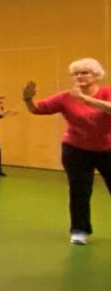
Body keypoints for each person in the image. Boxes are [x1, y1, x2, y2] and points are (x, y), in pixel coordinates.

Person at [23, 59, 111, 244]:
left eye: (85, 72)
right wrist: (28, 99)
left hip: (107, 149)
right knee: (80, 191)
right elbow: (38, 109)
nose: (79, 76)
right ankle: (79, 230)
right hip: (76, 149)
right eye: (76, 73)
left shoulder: (107, 92)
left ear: (96, 75)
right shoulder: (65, 97)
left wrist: (84, 99)